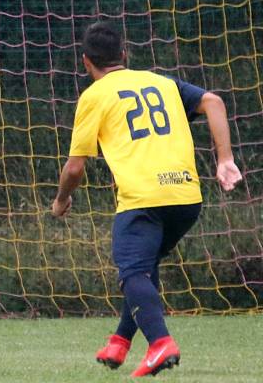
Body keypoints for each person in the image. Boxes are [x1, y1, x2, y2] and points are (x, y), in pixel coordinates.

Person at [51, 21, 242, 377]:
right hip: (186, 198)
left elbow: (75, 168)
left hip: (143, 200)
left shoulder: (93, 96)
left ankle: (160, 343)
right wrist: (225, 159)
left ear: (85, 62)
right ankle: (120, 341)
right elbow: (213, 102)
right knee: (144, 266)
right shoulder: (162, 82)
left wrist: (61, 200)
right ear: (124, 55)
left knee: (133, 272)